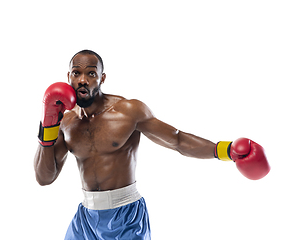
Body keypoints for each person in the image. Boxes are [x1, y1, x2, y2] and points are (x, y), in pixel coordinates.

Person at [34, 50, 270, 240]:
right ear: (68, 77)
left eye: (91, 74)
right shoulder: (65, 121)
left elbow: (177, 139)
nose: (83, 80)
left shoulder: (128, 111)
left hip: (125, 216)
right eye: (76, 73)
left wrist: (225, 150)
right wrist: (48, 125)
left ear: (102, 78)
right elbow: (45, 178)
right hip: (85, 219)